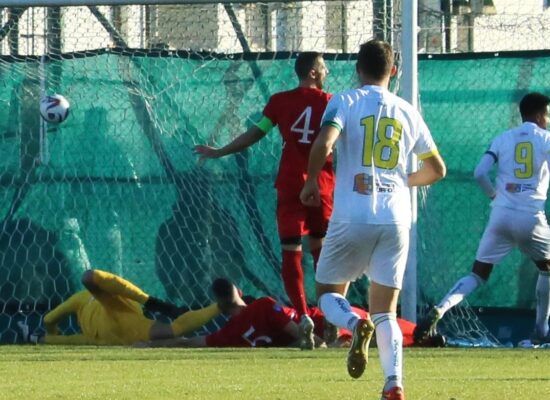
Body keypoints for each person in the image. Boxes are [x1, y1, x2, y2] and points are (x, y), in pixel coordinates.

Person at [299, 40, 446, 400]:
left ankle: (353, 322)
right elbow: (437, 169)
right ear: (393, 71)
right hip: (396, 218)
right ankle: (394, 384)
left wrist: (312, 182)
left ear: (356, 69)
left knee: (326, 295)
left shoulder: (345, 101)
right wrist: (402, 180)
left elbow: (324, 143)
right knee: (387, 311)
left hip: (352, 213)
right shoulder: (407, 111)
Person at [415, 92, 550, 346]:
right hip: (531, 216)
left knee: (477, 274)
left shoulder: (502, 138)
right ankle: (541, 330)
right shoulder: (549, 139)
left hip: (501, 216)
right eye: (548, 113)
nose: (549, 118)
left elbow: (480, 172)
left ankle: (440, 308)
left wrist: (495, 196)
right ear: (539, 115)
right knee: (548, 269)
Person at [194, 52, 334, 348]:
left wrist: (220, 151)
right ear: (311, 72)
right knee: (322, 252)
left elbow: (255, 134)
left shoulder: (279, 102)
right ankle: (329, 314)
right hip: (321, 186)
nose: (326, 73)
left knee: (290, 252)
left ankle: (303, 315)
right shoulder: (331, 102)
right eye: (323, 68)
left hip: (290, 185)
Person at [136, 278, 445, 350]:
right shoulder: (262, 304)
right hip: (323, 319)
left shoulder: (226, 335)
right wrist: (304, 334)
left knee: (360, 338)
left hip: (308, 332)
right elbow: (293, 322)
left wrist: (152, 346)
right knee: (375, 323)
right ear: (240, 292)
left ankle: (418, 339)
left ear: (218, 305)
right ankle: (418, 336)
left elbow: (194, 341)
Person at [18, 269, 229, 345]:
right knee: (174, 333)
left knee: (58, 340)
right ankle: (223, 305)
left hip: (107, 337)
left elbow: (48, 320)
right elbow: (92, 277)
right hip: (128, 327)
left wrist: (50, 332)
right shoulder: (108, 304)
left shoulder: (81, 301)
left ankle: (32, 338)